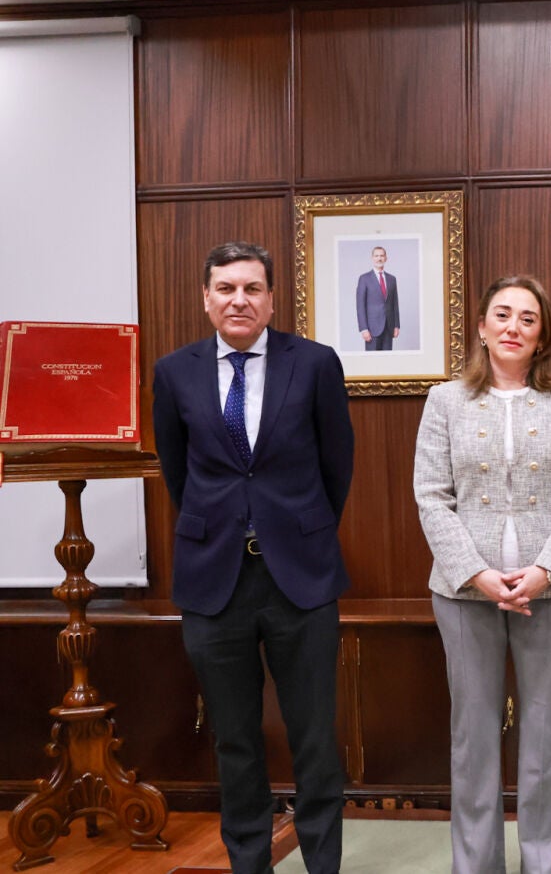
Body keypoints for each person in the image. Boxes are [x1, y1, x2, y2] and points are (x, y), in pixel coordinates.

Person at [152, 240, 354, 874]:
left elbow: (337, 466)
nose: (239, 299)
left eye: (252, 288)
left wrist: (294, 531)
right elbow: (177, 473)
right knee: (234, 739)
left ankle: (323, 865)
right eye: (226, 288)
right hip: (214, 581)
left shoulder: (314, 363)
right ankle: (249, 864)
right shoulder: (174, 372)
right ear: (206, 298)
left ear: (270, 299)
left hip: (301, 578)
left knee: (314, 738)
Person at [414, 275, 551, 874]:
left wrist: (548, 568)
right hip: (463, 593)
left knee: (546, 735)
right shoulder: (445, 400)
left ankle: (544, 864)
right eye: (502, 315)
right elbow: (431, 495)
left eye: (528, 318)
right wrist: (475, 572)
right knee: (472, 738)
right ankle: (476, 865)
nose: (513, 327)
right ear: (481, 326)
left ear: (542, 333)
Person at [356, 245, 400, 350]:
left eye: (382, 256)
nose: (379, 258)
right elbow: (360, 305)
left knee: (387, 358)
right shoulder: (364, 278)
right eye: (376, 256)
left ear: (386, 258)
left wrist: (396, 325)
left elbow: (395, 304)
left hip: (389, 327)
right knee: (372, 358)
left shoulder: (392, 279)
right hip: (372, 329)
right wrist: (363, 328)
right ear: (372, 258)